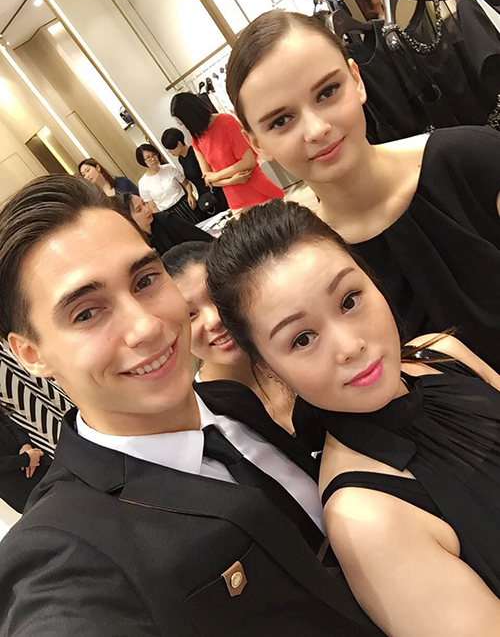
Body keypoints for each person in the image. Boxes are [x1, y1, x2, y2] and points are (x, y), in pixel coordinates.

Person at [0, 175, 382, 636]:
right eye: (86, 313)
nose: (146, 327)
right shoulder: (66, 552)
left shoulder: (231, 403)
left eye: (145, 280)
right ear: (32, 354)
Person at [206, 199, 500, 637]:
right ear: (268, 366)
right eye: (302, 339)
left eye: (349, 300)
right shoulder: (366, 517)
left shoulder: (443, 353)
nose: (350, 346)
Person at [224, 10, 500, 372]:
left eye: (327, 92)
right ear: (256, 143)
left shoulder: (470, 160)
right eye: (281, 121)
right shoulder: (306, 262)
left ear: (356, 80)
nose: (317, 129)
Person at [162, 242, 294, 433]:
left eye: (217, 298)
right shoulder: (199, 421)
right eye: (189, 314)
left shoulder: (298, 349)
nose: (213, 320)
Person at [170, 92, 283, 211]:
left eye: (184, 123)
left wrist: (217, 175)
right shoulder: (196, 139)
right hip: (235, 201)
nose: (186, 127)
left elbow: (248, 161)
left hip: (258, 190)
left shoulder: (225, 121)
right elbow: (208, 179)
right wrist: (231, 180)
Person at [115, 193, 212, 256]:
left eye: (144, 203)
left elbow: (206, 240)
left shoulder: (166, 219)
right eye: (139, 210)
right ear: (128, 219)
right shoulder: (134, 243)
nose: (147, 210)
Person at [161, 127, 228, 214]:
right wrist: (190, 194)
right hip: (203, 196)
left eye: (171, 149)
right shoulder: (181, 159)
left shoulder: (195, 152)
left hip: (215, 191)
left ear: (179, 144)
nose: (169, 152)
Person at [136, 143, 202, 224]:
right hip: (168, 215)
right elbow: (153, 207)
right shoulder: (143, 183)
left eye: (154, 155)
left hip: (185, 204)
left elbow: (186, 183)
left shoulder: (169, 168)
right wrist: (163, 220)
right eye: (148, 157)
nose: (153, 159)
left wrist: (190, 195)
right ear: (143, 161)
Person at [0, 407, 48, 513]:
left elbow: (7, 422)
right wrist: (24, 459)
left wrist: (25, 444)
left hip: (35, 459)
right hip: (16, 484)